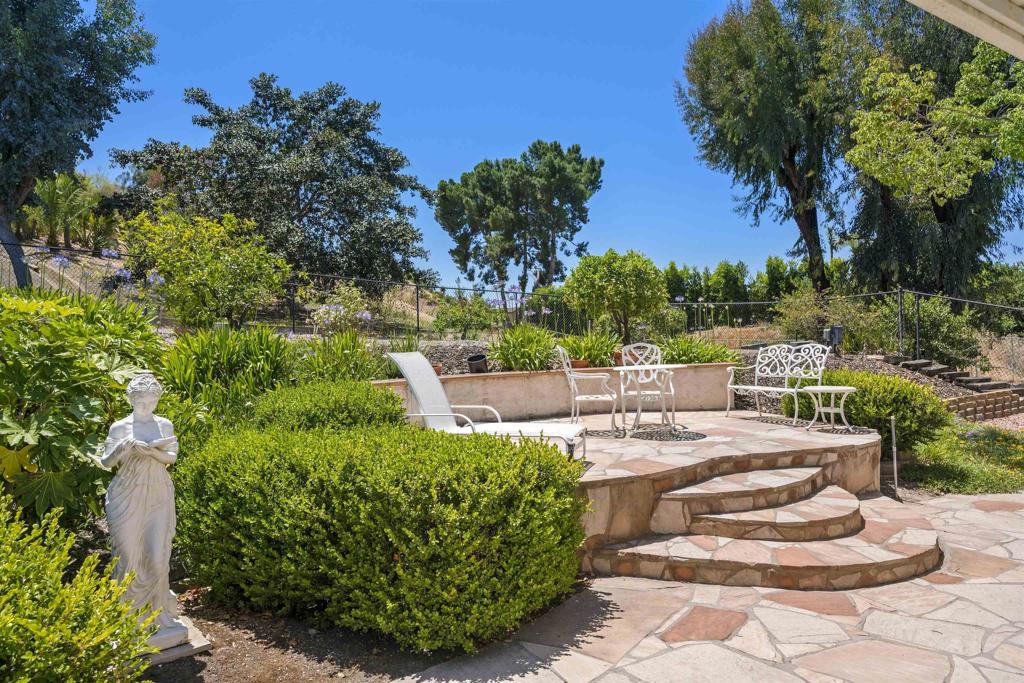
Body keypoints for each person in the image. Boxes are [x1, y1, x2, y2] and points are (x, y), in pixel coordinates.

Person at [100, 372, 188, 650]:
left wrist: (151, 452)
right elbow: (106, 462)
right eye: (141, 403)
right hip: (127, 493)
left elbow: (171, 457)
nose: (147, 408)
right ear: (131, 400)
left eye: (151, 403)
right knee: (128, 558)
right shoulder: (119, 427)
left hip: (158, 493)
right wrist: (123, 449)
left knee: (158, 557)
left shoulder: (164, 425)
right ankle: (129, 619)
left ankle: (158, 616)